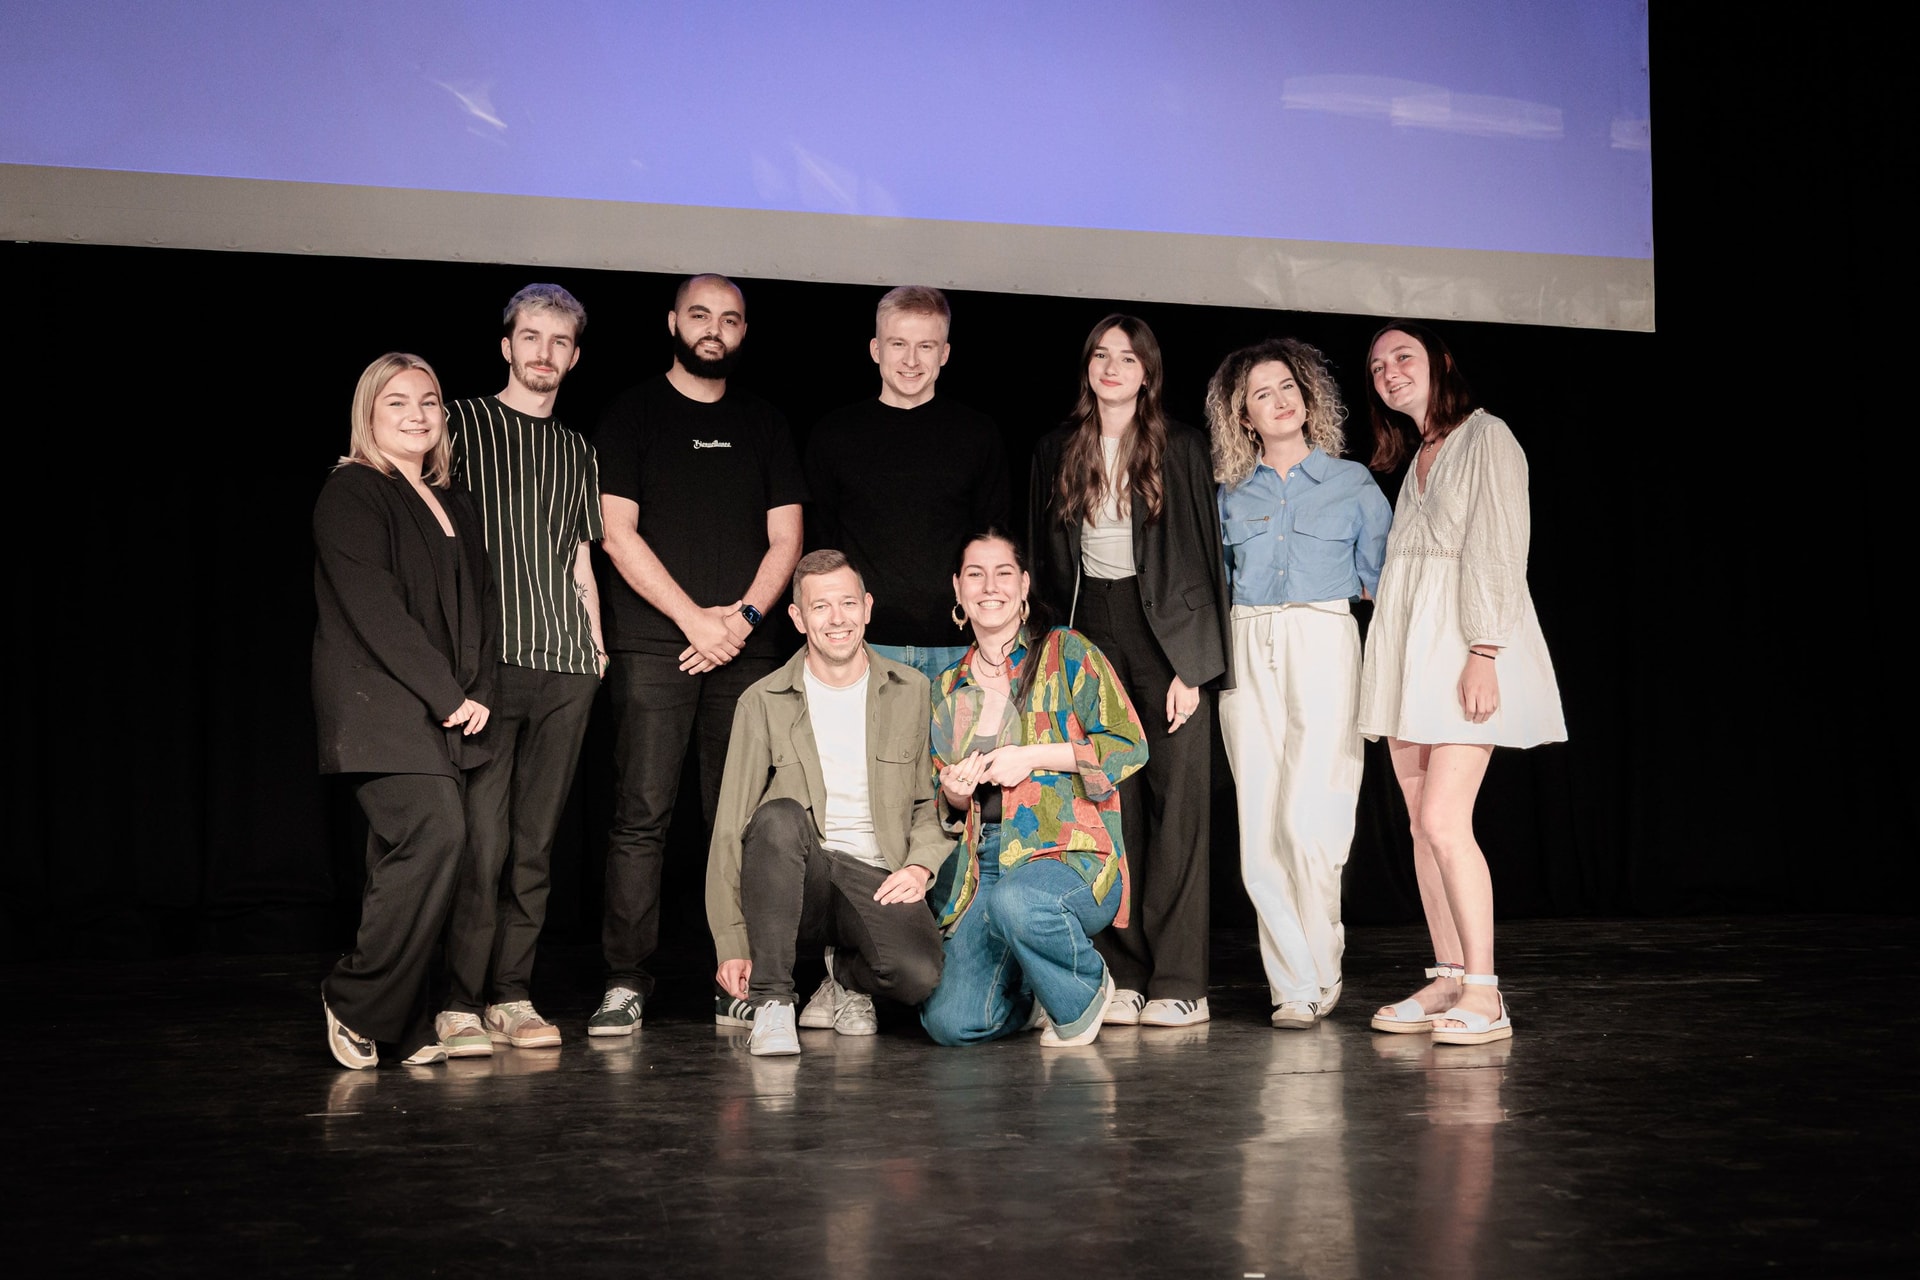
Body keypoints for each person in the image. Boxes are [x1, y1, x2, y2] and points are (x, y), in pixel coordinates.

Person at [590, 274, 807, 1034]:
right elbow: (617, 534)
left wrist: (741, 622)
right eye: (700, 315)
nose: (715, 329)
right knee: (641, 816)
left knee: (740, 819)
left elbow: (789, 540)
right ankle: (625, 979)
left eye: (731, 319)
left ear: (743, 333)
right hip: (657, 645)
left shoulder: (766, 421)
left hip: (746, 651)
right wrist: (695, 622)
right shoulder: (632, 413)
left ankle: (736, 977)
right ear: (673, 322)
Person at [1357, 321, 1565, 1046]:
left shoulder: (1487, 437)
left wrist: (1484, 649)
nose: (1388, 372)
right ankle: (1447, 974)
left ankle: (1486, 992)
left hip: (1464, 646)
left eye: (1403, 357)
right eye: (1378, 366)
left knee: (1447, 820)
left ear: (1440, 362)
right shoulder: (1418, 455)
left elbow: (1502, 548)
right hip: (1411, 652)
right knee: (1420, 828)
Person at [1027, 315, 1230, 1028]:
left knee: (1179, 810)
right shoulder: (1058, 447)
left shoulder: (1179, 447)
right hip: (1091, 632)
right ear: (1088, 367)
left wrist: (1196, 666)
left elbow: (1207, 558)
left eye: (1128, 358)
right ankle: (1126, 971)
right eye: (1101, 356)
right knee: (1110, 802)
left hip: (1167, 637)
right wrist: (1052, 654)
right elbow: (1043, 558)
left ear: (1148, 372)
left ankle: (1182, 982)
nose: (1113, 367)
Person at [312, 353, 498, 1070]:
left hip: (443, 706)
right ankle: (354, 996)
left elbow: (479, 604)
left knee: (408, 861)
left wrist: (477, 689)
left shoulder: (454, 500)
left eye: (429, 401)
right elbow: (377, 612)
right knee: (434, 832)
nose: (417, 414)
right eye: (397, 403)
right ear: (369, 414)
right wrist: (448, 695)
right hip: (379, 704)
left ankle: (406, 1020)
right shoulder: (352, 491)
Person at [434, 284, 605, 1058]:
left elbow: (579, 559)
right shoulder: (460, 424)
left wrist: (596, 649)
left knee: (535, 845)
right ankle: (458, 1001)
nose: (544, 353)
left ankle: (512, 993)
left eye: (559, 341)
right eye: (530, 338)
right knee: (481, 841)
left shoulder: (578, 450)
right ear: (507, 345)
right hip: (487, 670)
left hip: (566, 666)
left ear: (573, 355)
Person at [1206, 338, 1391, 1030]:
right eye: (1262, 393)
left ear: (1308, 399)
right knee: (1260, 821)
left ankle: (1322, 955)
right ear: (1244, 415)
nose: (1279, 400)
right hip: (1247, 642)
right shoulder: (1226, 495)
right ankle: (1292, 984)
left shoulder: (1352, 485)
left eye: (1288, 387)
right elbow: (1211, 589)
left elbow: (1389, 591)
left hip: (1325, 636)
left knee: (1312, 821)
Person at [705, 550, 950, 1057]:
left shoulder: (913, 691)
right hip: (802, 879)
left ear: (867, 607)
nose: (837, 619)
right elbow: (731, 826)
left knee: (919, 975)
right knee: (777, 817)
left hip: (878, 880)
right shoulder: (762, 700)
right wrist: (731, 941)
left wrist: (922, 866)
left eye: (847, 603)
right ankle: (773, 1006)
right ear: (798, 618)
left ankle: (843, 978)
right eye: (820, 607)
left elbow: (930, 801)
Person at [920, 531, 1148, 1048]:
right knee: (950, 1025)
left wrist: (1033, 756)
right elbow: (944, 803)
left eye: (1003, 573)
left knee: (1021, 902)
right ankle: (1032, 992)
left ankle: (1085, 992)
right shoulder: (947, 688)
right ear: (958, 589)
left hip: (1071, 852)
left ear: (1024, 584)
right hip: (988, 863)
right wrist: (956, 793)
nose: (989, 586)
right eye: (974, 575)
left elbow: (1129, 744)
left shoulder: (1067, 652)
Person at [804, 285, 1010, 684]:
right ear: (875, 349)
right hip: (860, 646)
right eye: (898, 344)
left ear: (945, 353)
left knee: (966, 751)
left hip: (961, 645)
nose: (911, 360)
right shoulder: (834, 435)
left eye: (926, 346)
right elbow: (820, 550)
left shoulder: (978, 434)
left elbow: (994, 544)